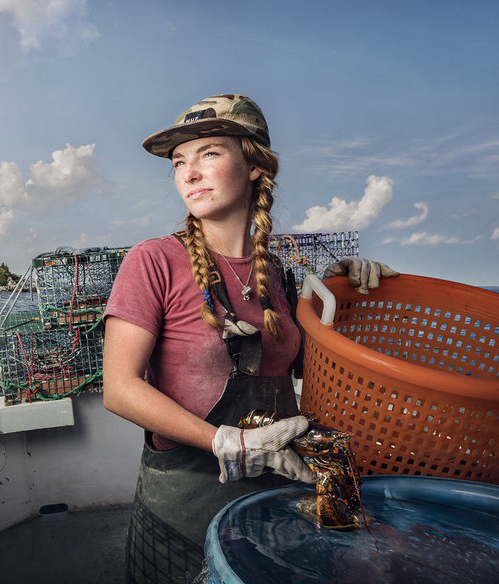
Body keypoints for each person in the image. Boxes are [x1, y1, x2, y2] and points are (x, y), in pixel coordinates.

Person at [102, 93, 397, 583]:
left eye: (210, 154)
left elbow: (317, 368)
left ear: (255, 165)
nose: (189, 174)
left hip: (268, 489)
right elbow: (119, 387)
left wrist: (346, 294)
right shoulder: (153, 260)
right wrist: (225, 440)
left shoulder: (278, 279)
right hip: (182, 497)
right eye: (179, 162)